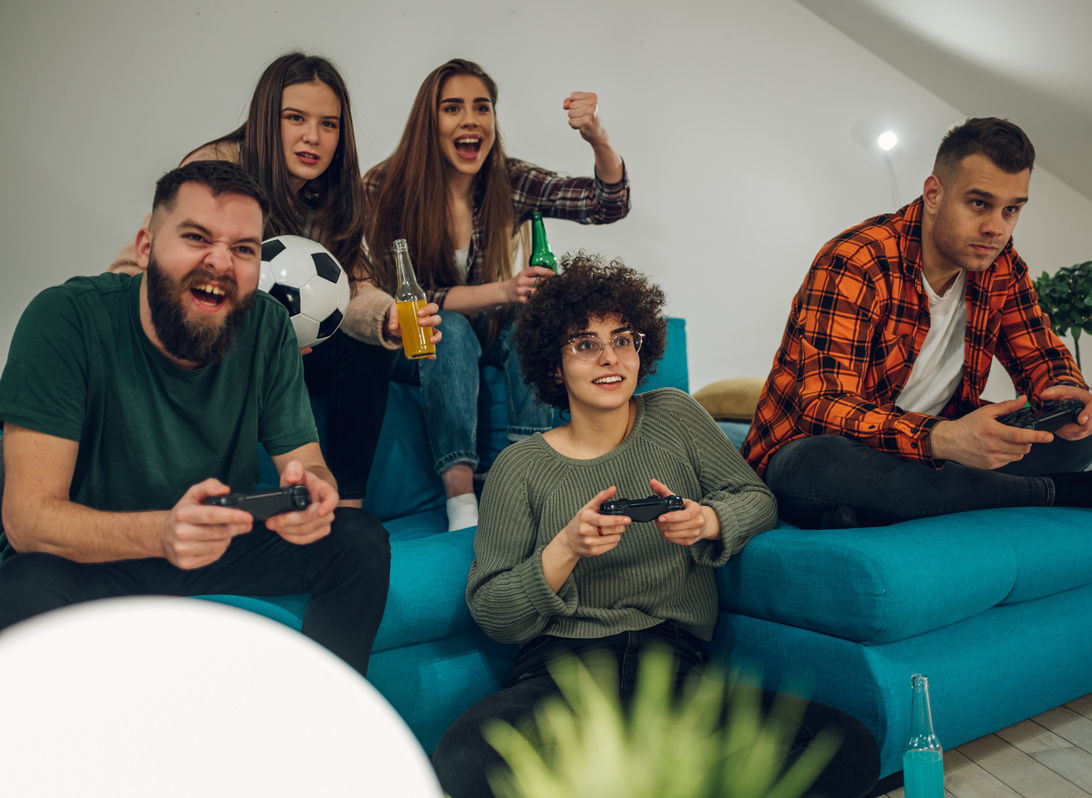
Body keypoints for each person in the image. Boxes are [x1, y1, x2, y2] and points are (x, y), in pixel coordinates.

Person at [430, 255, 880, 798]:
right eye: (585, 343)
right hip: (558, 675)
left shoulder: (674, 415)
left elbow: (755, 498)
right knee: (461, 758)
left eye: (623, 339)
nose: (609, 357)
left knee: (848, 746)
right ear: (554, 364)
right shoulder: (518, 467)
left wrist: (708, 520)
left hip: (675, 670)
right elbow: (493, 612)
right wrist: (566, 548)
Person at [0, 161, 389, 675]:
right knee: (22, 589)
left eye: (244, 249)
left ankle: (316, 730)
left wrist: (313, 494)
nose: (220, 262)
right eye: (196, 237)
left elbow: (309, 464)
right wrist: (161, 532)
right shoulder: (64, 319)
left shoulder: (268, 325)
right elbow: (26, 520)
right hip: (97, 553)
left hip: (218, 542)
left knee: (358, 540)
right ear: (145, 246)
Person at [743, 117, 1092, 528]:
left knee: (1074, 442)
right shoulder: (857, 260)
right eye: (979, 203)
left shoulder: (1001, 265)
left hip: (929, 452)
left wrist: (1066, 391)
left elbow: (1039, 352)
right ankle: (1054, 494)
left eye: (1012, 209)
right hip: (823, 449)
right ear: (934, 193)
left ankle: (889, 506)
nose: (996, 228)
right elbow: (824, 407)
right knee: (818, 467)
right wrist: (942, 439)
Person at [109, 52, 441, 509]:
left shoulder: (335, 195)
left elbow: (355, 282)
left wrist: (386, 318)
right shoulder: (218, 169)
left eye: (329, 124)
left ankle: (345, 508)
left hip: (291, 351)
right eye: (295, 118)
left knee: (363, 353)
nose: (313, 137)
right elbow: (139, 265)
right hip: (217, 340)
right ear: (267, 118)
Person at [363, 58, 631, 532]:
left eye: (481, 108)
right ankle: (461, 502)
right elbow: (404, 298)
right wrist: (502, 289)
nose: (470, 120)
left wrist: (598, 137)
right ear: (429, 120)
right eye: (453, 108)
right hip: (416, 340)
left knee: (532, 317)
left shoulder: (507, 179)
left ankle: (531, 475)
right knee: (447, 326)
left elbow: (606, 203)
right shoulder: (386, 187)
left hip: (488, 333)